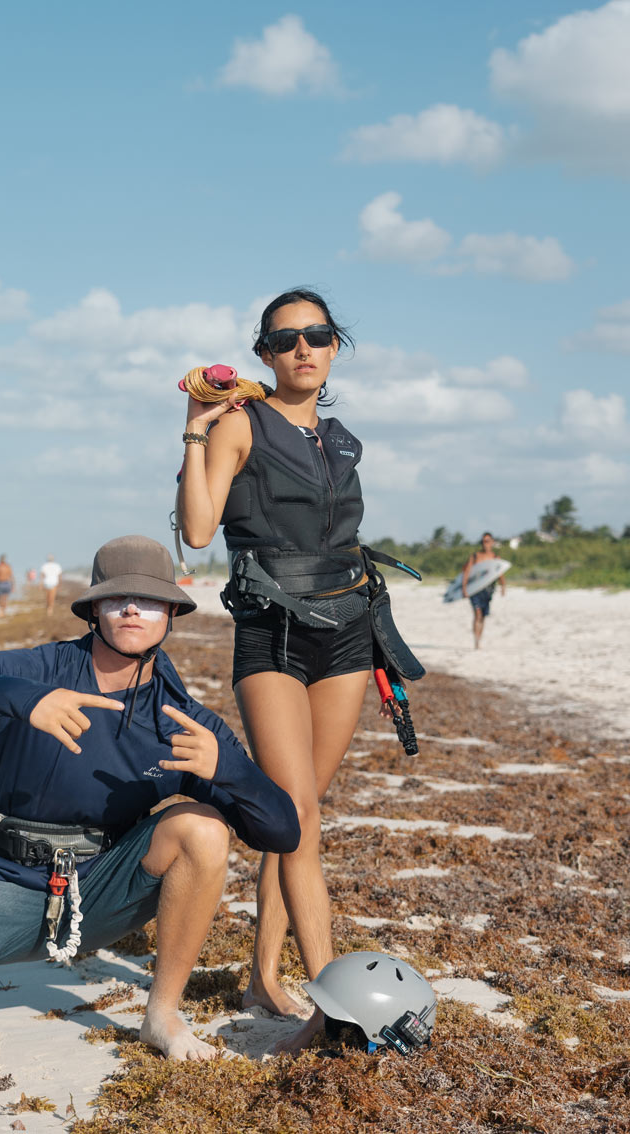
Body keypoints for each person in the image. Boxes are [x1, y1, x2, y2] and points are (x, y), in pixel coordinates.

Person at [0, 535, 299, 1066]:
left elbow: (282, 832)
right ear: (93, 609)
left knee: (202, 827)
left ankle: (162, 1014)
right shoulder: (32, 675)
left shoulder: (183, 723)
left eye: (150, 599)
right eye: (117, 598)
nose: (133, 608)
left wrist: (228, 770)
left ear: (171, 614)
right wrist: (24, 703)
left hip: (103, 892)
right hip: (1, 887)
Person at [178, 287, 373, 1051]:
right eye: (287, 338)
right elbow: (198, 530)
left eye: (318, 335)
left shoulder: (343, 439)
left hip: (350, 631)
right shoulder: (239, 424)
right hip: (274, 633)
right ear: (265, 353)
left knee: (300, 816)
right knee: (299, 815)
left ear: (333, 349)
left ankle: (265, 974)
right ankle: (335, 1008)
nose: (304, 347)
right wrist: (195, 434)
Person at [461, 532, 506, 649]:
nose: (485, 544)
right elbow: (467, 572)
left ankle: (479, 638)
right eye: (483, 541)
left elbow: (499, 573)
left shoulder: (496, 558)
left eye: (487, 541)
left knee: (483, 616)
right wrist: (464, 587)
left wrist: (503, 586)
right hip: (475, 590)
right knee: (477, 614)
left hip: (488, 590)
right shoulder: (475, 557)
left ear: (492, 542)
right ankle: (476, 641)